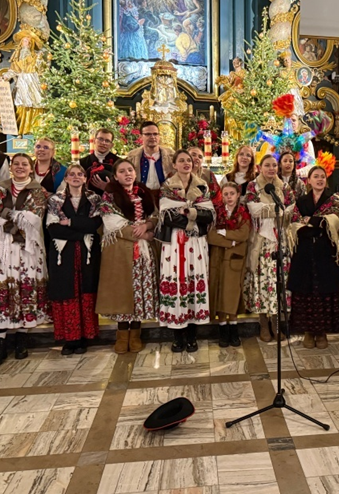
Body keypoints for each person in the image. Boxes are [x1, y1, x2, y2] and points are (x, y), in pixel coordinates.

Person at [0, 153, 49, 367]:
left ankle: (22, 339)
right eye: (16, 164)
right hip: (2, 247)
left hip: (27, 248)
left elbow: (34, 218)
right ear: (10, 167)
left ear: (31, 168)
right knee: (1, 287)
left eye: (24, 164)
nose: (20, 167)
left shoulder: (38, 191)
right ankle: (0, 343)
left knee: (25, 287)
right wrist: (15, 218)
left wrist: (6, 214)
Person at [96, 160, 158, 354]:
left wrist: (147, 226)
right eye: (122, 171)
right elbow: (111, 222)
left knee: (140, 288)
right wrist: (140, 234)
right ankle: (122, 335)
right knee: (122, 290)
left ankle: (136, 334)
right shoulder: (110, 195)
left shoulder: (144, 192)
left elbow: (155, 215)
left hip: (144, 252)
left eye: (130, 170)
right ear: (115, 176)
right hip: (120, 248)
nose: (127, 174)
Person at [157, 150, 215, 352]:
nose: (186, 163)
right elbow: (167, 217)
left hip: (196, 242)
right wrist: (194, 217)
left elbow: (209, 215)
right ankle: (177, 335)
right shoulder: (167, 186)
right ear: (174, 165)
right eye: (181, 160)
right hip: (174, 242)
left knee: (193, 281)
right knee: (176, 280)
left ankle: (192, 335)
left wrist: (188, 212)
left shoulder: (202, 185)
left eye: (189, 160)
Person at [288, 166, 339, 349]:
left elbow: (334, 219)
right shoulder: (301, 200)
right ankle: (307, 331)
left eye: (322, 177)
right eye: (316, 176)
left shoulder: (334, 199)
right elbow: (295, 223)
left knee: (324, 292)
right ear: (309, 181)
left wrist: (311, 221)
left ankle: (321, 333)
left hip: (325, 252)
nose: (320, 179)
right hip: (304, 251)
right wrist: (318, 223)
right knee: (306, 291)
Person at [46, 165, 102, 355]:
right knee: (66, 292)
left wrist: (70, 222)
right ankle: (70, 339)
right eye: (72, 174)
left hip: (87, 252)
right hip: (63, 253)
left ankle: (85, 337)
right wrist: (80, 232)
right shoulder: (56, 200)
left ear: (85, 178)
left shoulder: (94, 199)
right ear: (66, 178)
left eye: (80, 174)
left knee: (86, 291)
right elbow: (53, 229)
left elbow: (94, 224)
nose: (76, 177)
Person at [244, 154, 295, 342]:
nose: (271, 168)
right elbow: (253, 209)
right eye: (267, 165)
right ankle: (263, 322)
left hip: (281, 240)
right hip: (261, 241)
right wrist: (277, 210)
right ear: (260, 167)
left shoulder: (284, 187)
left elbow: (291, 208)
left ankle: (276, 322)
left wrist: (273, 210)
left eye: (274, 165)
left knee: (278, 282)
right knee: (263, 281)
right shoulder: (253, 186)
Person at [207, 182, 251, 348]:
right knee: (219, 292)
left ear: (238, 195)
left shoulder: (243, 213)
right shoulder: (216, 212)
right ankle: (223, 330)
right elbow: (211, 236)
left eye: (232, 193)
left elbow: (243, 234)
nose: (229, 197)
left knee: (231, 294)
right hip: (217, 258)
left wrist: (225, 233)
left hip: (234, 259)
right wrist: (231, 242)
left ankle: (233, 329)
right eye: (225, 194)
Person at [126, 121, 175, 197]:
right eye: (148, 134)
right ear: (141, 136)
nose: (152, 137)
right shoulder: (131, 157)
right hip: (140, 197)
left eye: (155, 134)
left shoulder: (172, 155)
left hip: (167, 197)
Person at [80, 128, 119, 194]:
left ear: (111, 145)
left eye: (107, 141)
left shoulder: (119, 163)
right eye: (100, 139)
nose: (103, 143)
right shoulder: (82, 163)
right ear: (94, 141)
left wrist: (109, 188)